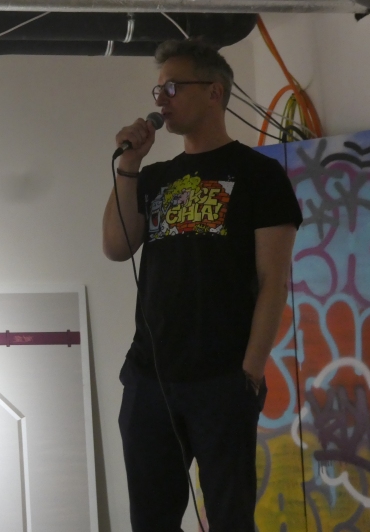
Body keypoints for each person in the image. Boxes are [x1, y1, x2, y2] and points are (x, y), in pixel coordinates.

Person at [102, 38, 302, 531]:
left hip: (223, 380)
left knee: (230, 519)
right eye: (158, 90)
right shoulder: (155, 177)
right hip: (150, 379)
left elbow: (273, 282)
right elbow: (116, 246)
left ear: (214, 92)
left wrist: (249, 373)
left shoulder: (260, 175)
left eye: (173, 87)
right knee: (151, 520)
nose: (161, 99)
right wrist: (129, 166)